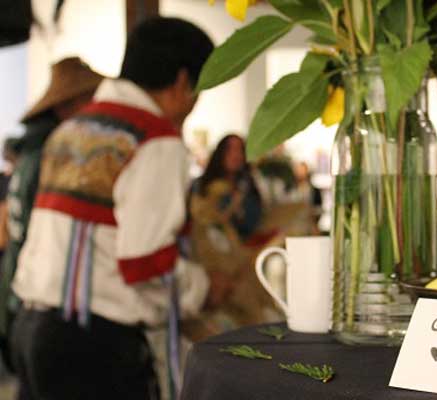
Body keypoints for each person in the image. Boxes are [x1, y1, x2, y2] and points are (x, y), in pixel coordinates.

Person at [9, 17, 222, 400]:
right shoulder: (155, 139)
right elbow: (144, 264)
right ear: (182, 82)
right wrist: (201, 287)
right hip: (91, 346)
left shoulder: (74, 128)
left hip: (30, 329)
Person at [0, 57, 103, 372]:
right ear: (67, 106)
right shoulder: (51, 155)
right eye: (89, 98)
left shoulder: (30, 153)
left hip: (19, 294)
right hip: (38, 299)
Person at [188, 135, 276, 336]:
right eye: (230, 149)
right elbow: (199, 225)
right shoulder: (201, 187)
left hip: (243, 267)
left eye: (240, 150)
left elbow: (253, 224)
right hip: (210, 266)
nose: (235, 155)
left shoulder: (248, 189)